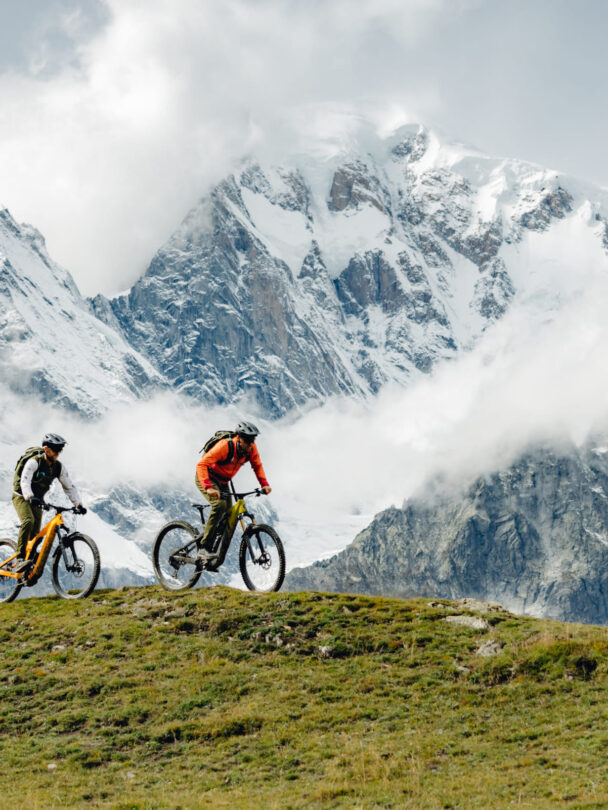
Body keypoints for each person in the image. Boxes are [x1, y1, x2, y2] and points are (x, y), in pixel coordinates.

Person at [195, 421, 271, 565]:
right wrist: (208, 487)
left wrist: (264, 484)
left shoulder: (251, 449)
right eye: (247, 441)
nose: (250, 444)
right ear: (239, 438)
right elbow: (201, 465)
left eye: (252, 440)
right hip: (207, 478)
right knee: (220, 505)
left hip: (223, 482)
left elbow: (257, 466)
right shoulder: (225, 446)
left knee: (229, 515)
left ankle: (214, 556)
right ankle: (204, 547)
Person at [12, 433, 86, 573]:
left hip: (37, 499)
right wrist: (29, 496)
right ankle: (20, 559)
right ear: (46, 449)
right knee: (28, 521)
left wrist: (78, 504)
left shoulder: (58, 467)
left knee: (37, 535)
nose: (59, 453)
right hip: (21, 496)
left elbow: (69, 487)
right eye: (56, 450)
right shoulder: (34, 462)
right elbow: (24, 481)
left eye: (60, 450)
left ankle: (29, 566)